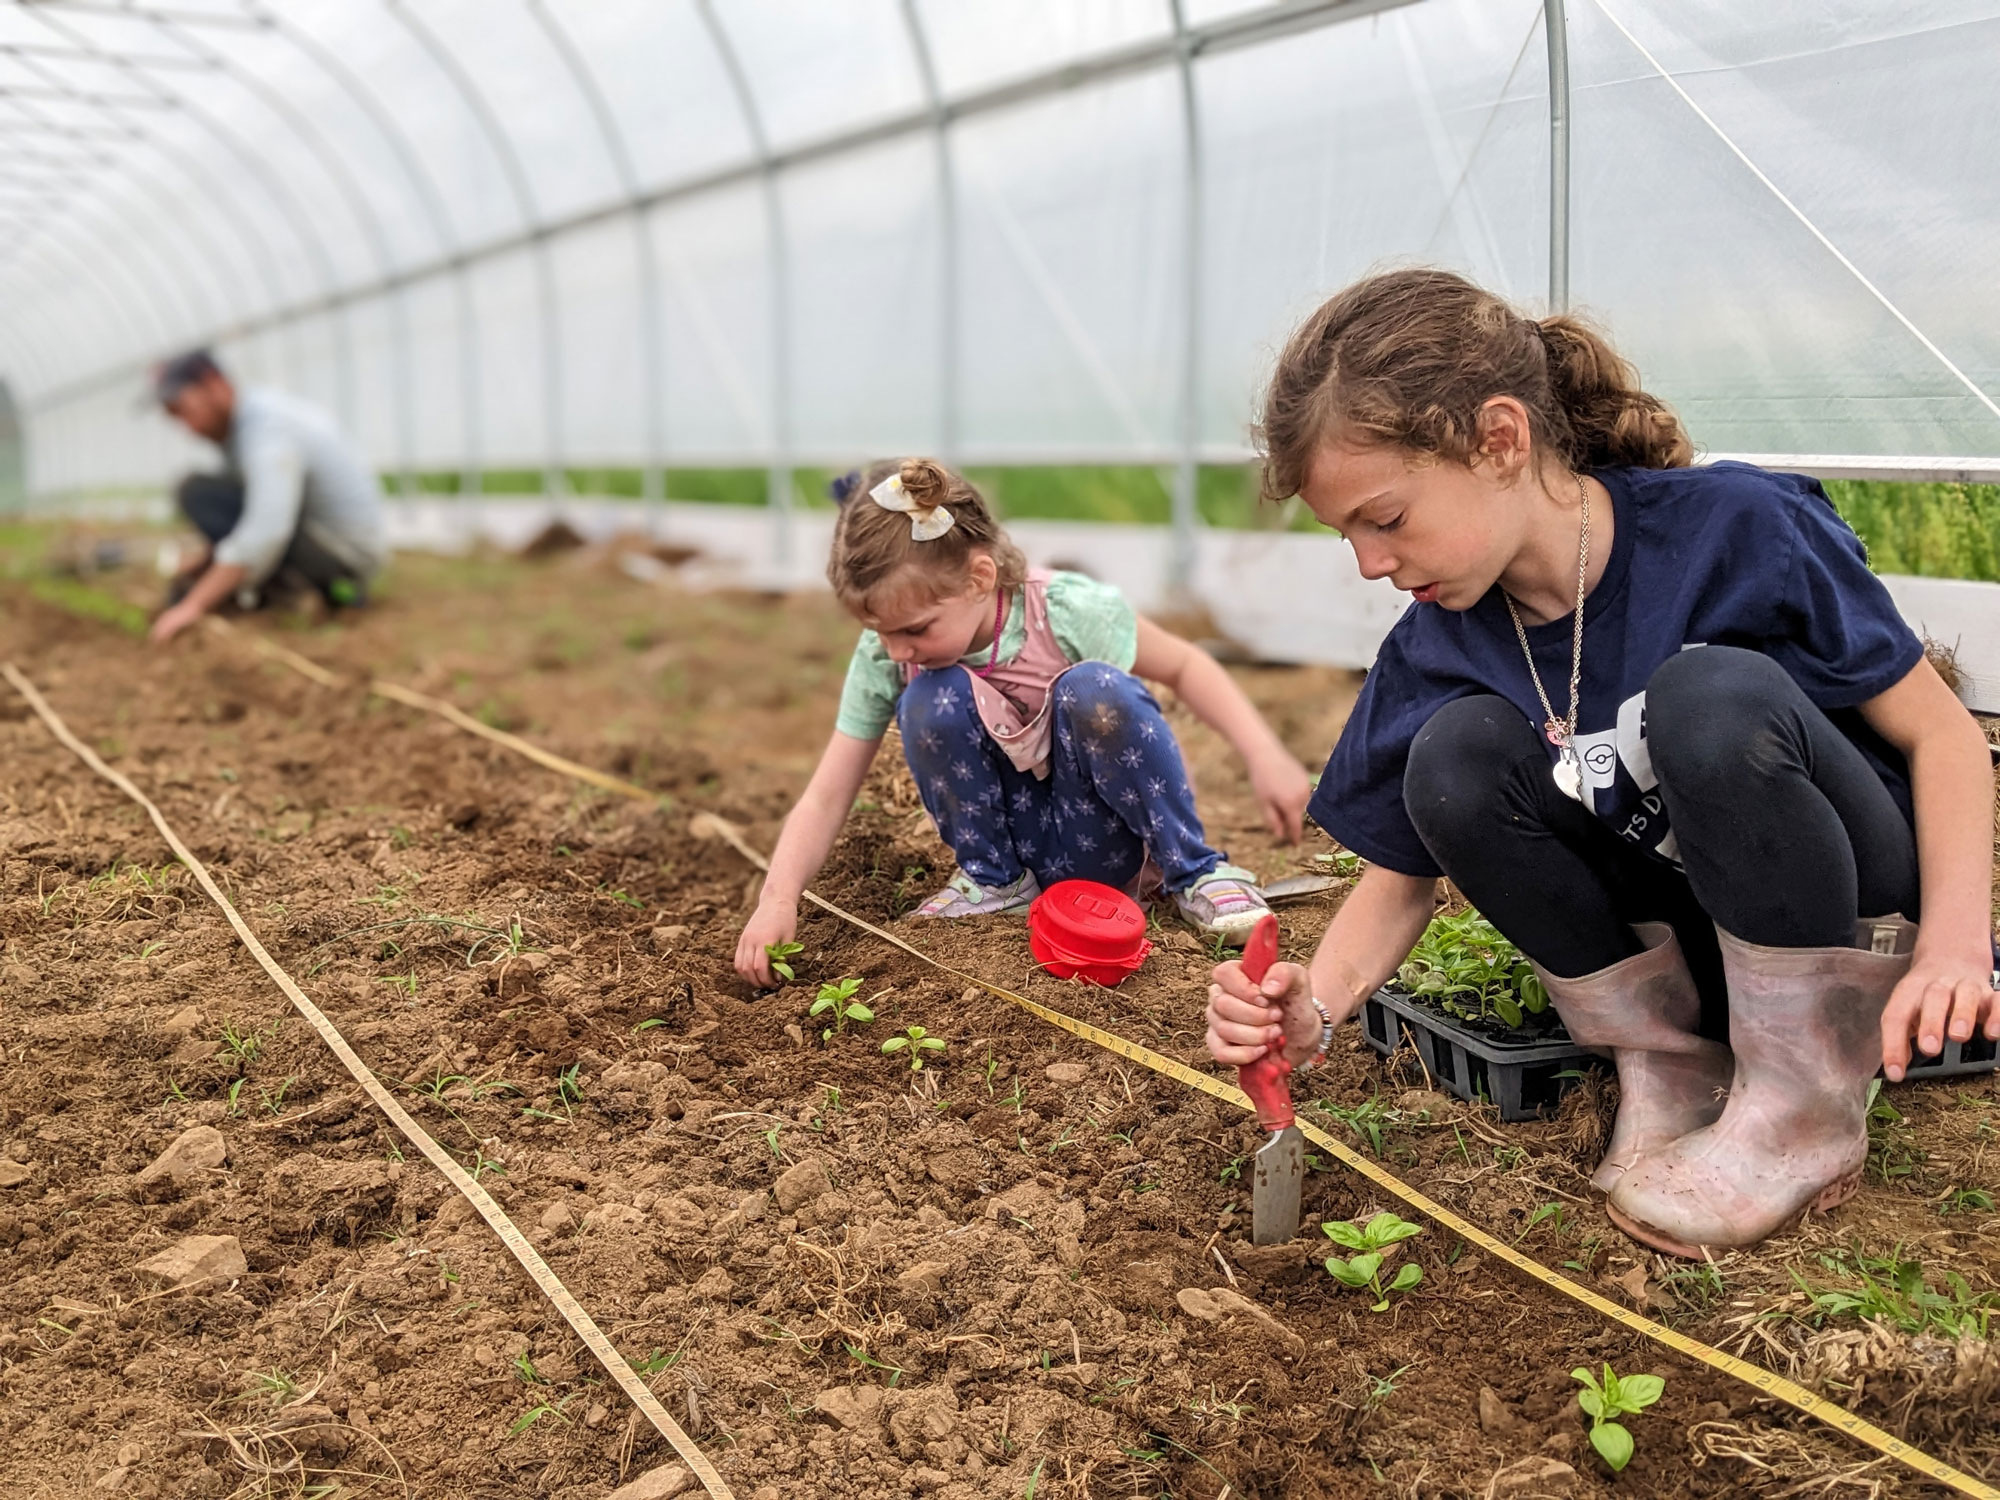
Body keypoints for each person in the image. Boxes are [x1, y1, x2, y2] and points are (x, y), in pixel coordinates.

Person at [1204, 269, 1998, 1257]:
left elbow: (1945, 736)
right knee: (1450, 756)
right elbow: (1398, 882)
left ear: (1499, 439)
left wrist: (1956, 949)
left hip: (1846, 935)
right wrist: (1310, 1010)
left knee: (1703, 698)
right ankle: (1670, 1068)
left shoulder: (1733, 529)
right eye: (1346, 534)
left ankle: (1801, 1104)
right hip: (1703, 959)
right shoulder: (1435, 643)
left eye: (1386, 517)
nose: (1369, 563)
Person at [734, 457, 1313, 983]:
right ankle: (994, 885)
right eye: (879, 631)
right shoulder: (891, 656)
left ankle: (1196, 873)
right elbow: (827, 794)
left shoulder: (1063, 610)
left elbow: (1185, 666)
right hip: (1016, 852)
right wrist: (779, 897)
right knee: (928, 697)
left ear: (979, 578)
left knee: (1095, 688)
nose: (896, 650)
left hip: (1103, 847)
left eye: (914, 629)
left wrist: (1264, 754)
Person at [148, 350, 386, 644]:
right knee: (209, 495)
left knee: (197, 492)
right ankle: (279, 589)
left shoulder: (268, 429)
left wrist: (194, 605)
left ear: (214, 385)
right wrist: (207, 560)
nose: (187, 428)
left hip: (343, 559)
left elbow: (267, 528)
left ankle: (302, 591)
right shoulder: (241, 430)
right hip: (323, 544)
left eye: (184, 410)